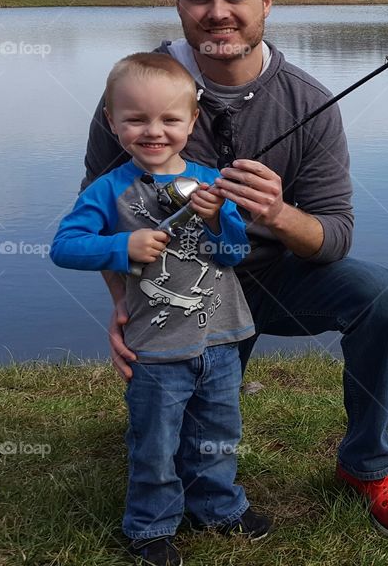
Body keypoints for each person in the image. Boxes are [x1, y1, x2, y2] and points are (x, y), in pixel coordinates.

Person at [81, 0, 388, 539]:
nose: (218, 12)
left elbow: (336, 235)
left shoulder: (309, 102)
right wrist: (123, 304)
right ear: (178, 2)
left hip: (274, 276)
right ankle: (177, 455)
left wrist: (276, 213)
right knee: (182, 449)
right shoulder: (135, 95)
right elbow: (99, 211)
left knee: (380, 295)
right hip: (182, 286)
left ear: (265, 1)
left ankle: (368, 465)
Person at [51, 53, 271, 566]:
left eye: (170, 119)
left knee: (218, 432)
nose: (154, 132)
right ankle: (151, 525)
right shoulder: (108, 191)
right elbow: (64, 246)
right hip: (153, 349)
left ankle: (217, 506)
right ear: (112, 121)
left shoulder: (213, 182)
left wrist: (221, 221)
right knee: (154, 439)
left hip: (222, 336)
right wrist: (120, 248)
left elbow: (234, 254)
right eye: (136, 119)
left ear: (191, 121)